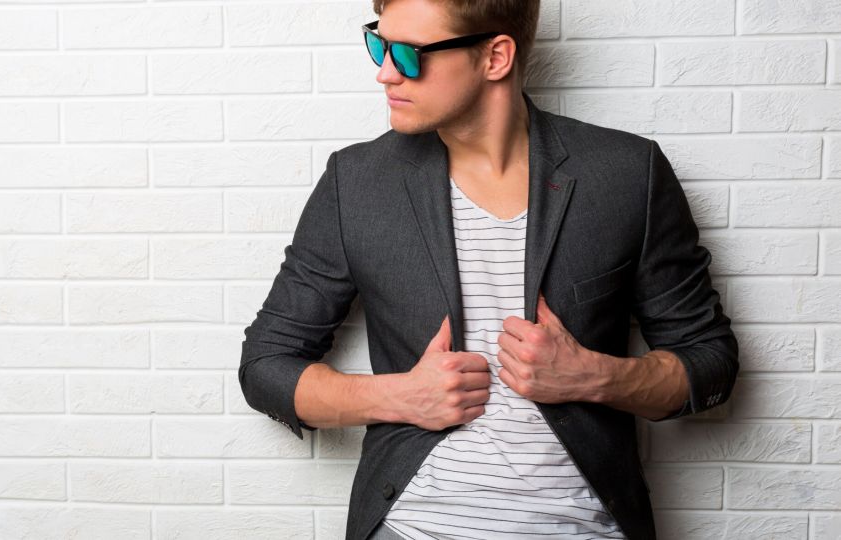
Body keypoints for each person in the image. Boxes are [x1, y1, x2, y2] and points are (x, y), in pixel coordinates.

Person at [237, 0, 739, 539]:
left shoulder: (625, 173)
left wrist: (595, 376)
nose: (384, 72)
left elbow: (710, 362)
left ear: (496, 56)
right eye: (378, 43)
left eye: (408, 54)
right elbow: (265, 366)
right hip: (411, 528)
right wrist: (398, 396)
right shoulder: (356, 182)